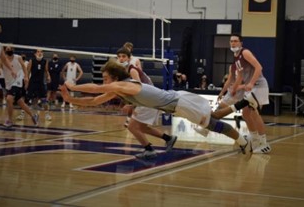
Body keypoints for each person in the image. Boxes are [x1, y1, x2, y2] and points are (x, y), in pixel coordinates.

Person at [59, 60, 251, 157]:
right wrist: (71, 99)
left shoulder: (126, 85)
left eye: (106, 78)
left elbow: (97, 88)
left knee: (213, 124)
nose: (105, 81)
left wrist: (74, 86)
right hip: (177, 103)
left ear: (115, 78)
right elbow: (94, 101)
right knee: (213, 117)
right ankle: (242, 105)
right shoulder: (119, 88)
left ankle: (244, 142)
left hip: (179, 103)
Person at [199, 33, 271, 154]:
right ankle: (255, 138)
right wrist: (233, 89)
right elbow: (240, 76)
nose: (233, 43)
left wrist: (251, 83)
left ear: (241, 43)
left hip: (259, 86)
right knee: (246, 114)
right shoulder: (236, 57)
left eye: (236, 41)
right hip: (249, 88)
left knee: (253, 114)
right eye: (231, 41)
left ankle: (264, 143)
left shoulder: (245, 52)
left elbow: (259, 67)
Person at [117, 47, 177, 159]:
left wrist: (131, 105)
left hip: (148, 99)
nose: (121, 59)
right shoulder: (124, 72)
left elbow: (138, 89)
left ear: (129, 58)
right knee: (142, 127)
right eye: (119, 56)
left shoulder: (132, 69)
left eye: (123, 56)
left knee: (132, 127)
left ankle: (149, 150)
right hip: (149, 100)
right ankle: (168, 139)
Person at [0, 45, 39, 127]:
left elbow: (24, 67)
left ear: (13, 50)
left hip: (17, 81)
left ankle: (9, 120)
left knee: (9, 99)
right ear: (5, 50)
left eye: (11, 49)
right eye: (8, 49)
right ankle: (33, 116)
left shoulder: (18, 57)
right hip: (8, 83)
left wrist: (26, 77)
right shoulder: (2, 60)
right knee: (21, 103)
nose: (9, 50)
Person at [25, 49, 51, 121]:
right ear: (35, 53)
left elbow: (46, 71)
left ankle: (47, 114)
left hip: (40, 82)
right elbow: (28, 71)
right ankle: (22, 113)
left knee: (44, 99)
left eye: (41, 52)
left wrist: (48, 76)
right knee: (27, 98)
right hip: (32, 81)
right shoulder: (31, 61)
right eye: (38, 52)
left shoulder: (45, 61)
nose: (40, 53)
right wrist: (26, 80)